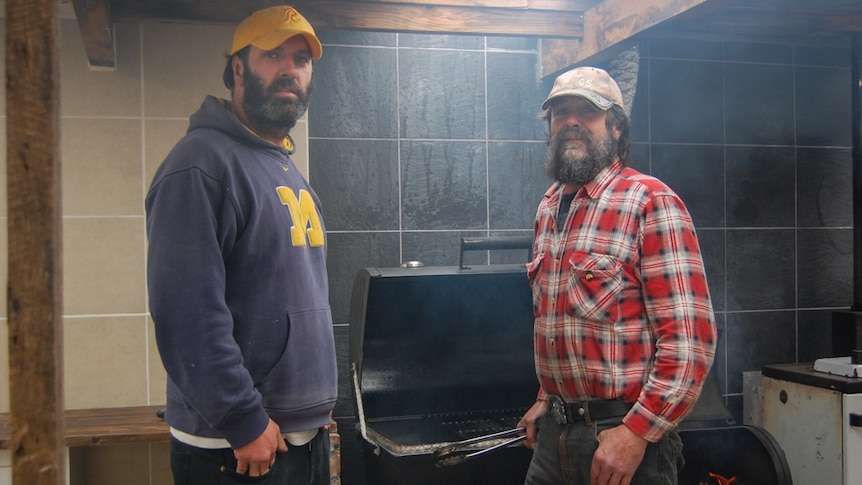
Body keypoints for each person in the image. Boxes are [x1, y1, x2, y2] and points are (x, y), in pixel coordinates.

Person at [145, 6, 336, 485]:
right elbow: (185, 312)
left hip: (294, 436)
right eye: (273, 54)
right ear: (238, 68)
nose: (290, 69)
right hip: (236, 449)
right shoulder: (201, 164)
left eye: (301, 58)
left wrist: (313, 404)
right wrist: (241, 418)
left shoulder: (282, 166)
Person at [518, 66, 717, 485]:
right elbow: (559, 321)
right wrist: (546, 397)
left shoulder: (650, 201)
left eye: (586, 112)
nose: (570, 121)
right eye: (560, 112)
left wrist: (636, 433)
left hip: (621, 436)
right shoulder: (548, 208)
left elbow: (690, 341)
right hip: (555, 435)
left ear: (616, 128)